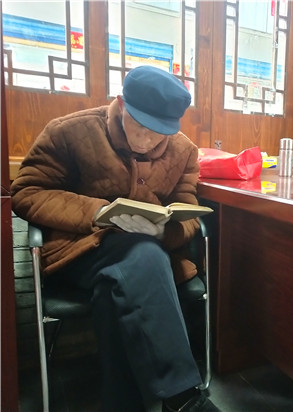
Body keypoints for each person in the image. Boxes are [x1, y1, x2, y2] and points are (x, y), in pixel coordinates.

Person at [11, 65, 220, 412]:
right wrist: (96, 212)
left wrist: (164, 230)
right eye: (140, 126)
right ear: (122, 104)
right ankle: (183, 398)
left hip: (144, 264)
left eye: (159, 133)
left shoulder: (183, 151)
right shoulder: (70, 132)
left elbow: (187, 210)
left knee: (118, 286)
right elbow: (27, 191)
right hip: (80, 252)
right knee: (142, 255)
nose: (147, 140)